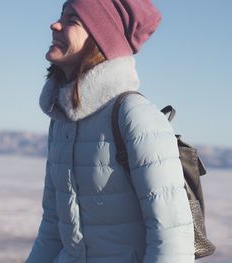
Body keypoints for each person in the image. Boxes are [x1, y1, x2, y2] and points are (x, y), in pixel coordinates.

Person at [26, 0, 195, 262]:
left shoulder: (134, 116)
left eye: (72, 20)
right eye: (61, 15)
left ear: (99, 38)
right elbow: (52, 227)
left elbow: (172, 238)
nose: (54, 25)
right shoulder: (61, 120)